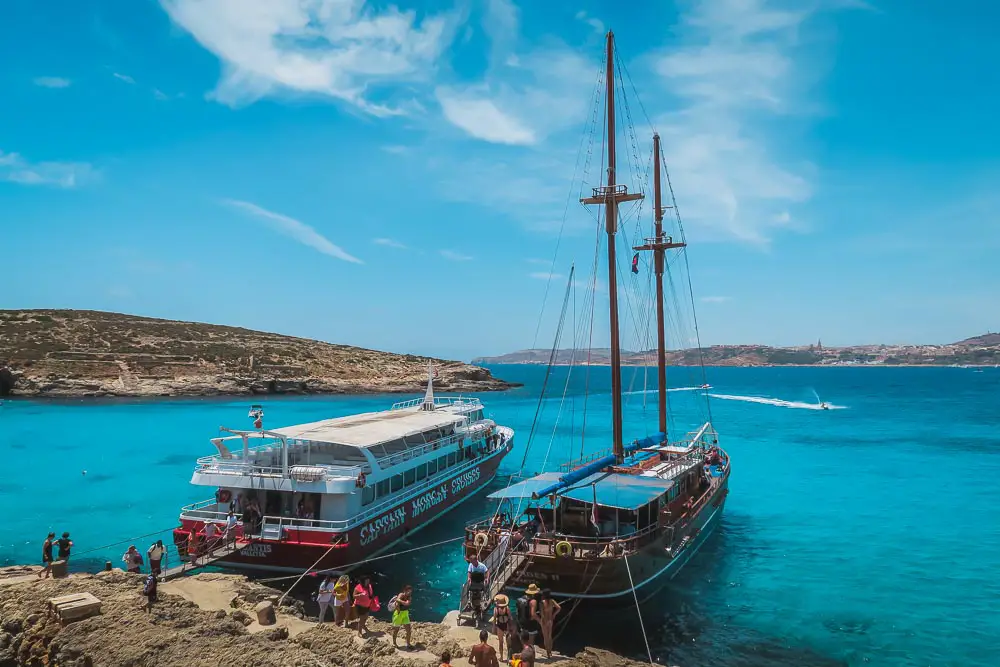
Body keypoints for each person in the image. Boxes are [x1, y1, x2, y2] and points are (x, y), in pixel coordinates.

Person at [536, 589, 562, 659]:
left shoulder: (542, 602)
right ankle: (550, 651)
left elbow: (542, 613)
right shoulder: (552, 601)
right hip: (550, 620)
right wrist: (554, 615)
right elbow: (559, 608)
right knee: (550, 636)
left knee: (545, 637)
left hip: (544, 620)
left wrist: (543, 620)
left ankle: (547, 653)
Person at [390, 584, 413, 650]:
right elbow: (397, 604)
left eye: (410, 592)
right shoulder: (401, 594)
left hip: (405, 614)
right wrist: (400, 603)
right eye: (408, 591)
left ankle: (408, 644)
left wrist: (399, 600)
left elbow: (407, 603)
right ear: (404, 591)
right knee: (396, 630)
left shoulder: (409, 597)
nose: (409, 593)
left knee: (409, 630)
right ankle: (394, 643)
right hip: (398, 614)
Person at [492, 593, 512, 660]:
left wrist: (493, 628)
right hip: (506, 625)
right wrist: (512, 626)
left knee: (500, 642)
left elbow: (494, 620)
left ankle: (501, 657)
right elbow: (510, 618)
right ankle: (509, 657)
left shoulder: (496, 609)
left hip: (500, 626)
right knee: (508, 643)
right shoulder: (507, 608)